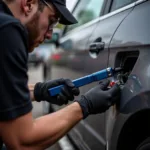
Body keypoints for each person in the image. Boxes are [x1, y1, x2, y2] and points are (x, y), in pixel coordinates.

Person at [0, 0, 121, 149]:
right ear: (29, 4)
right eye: (51, 21)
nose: (50, 34)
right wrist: (85, 106)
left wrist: (40, 91)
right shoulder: (8, 31)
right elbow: (22, 141)